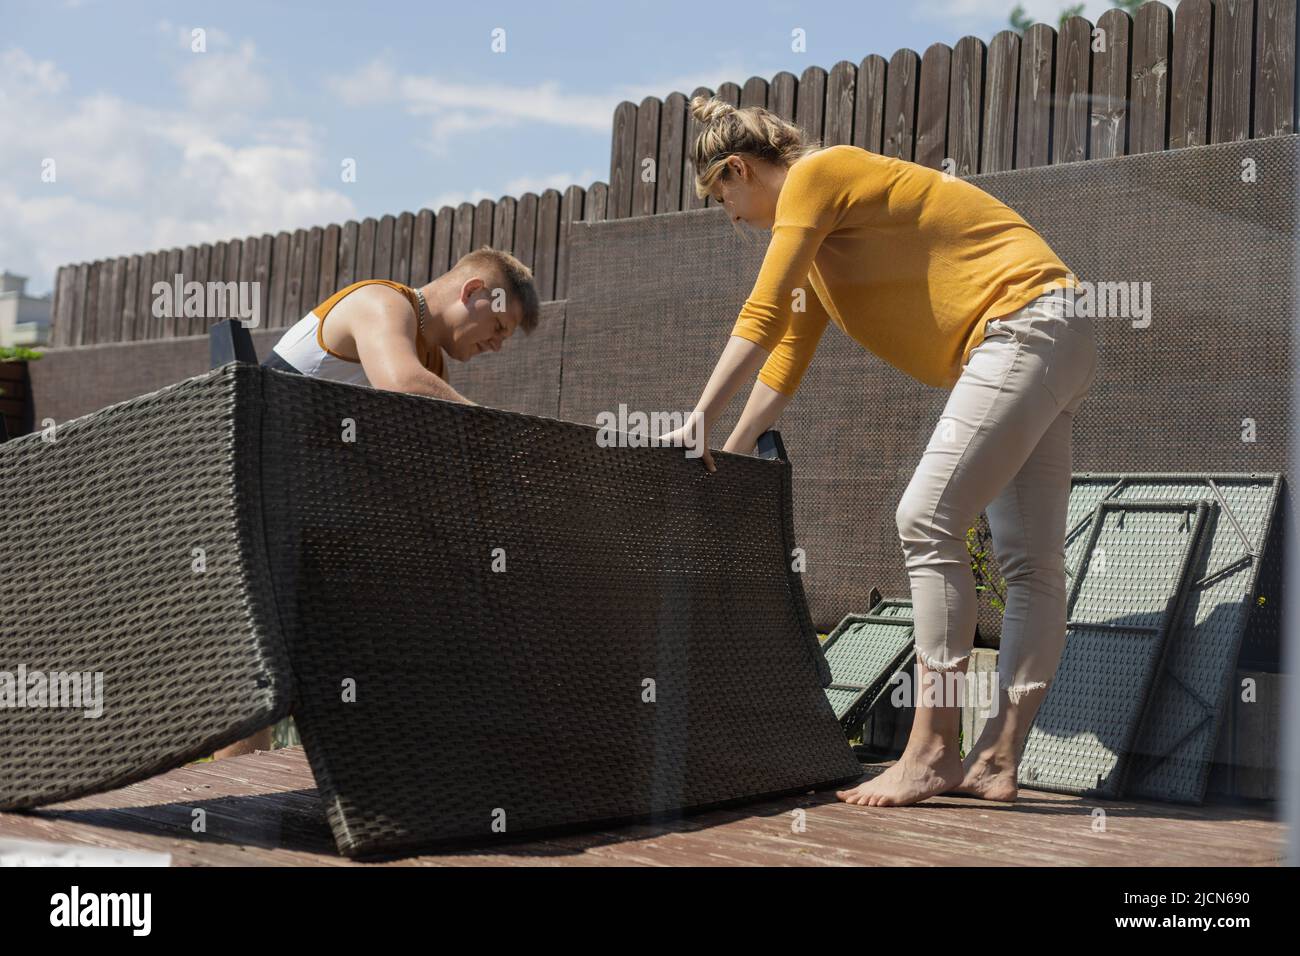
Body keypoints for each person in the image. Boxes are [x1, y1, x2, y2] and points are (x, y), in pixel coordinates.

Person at [662, 95, 1098, 807]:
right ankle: (995, 760)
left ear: (739, 168)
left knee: (925, 519)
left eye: (723, 198)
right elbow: (784, 362)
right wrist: (733, 450)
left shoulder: (816, 175)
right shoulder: (823, 241)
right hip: (1055, 334)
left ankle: (930, 750)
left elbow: (760, 312)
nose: (732, 219)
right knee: (1030, 566)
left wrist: (701, 418)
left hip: (1023, 326)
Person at [213, 244, 541, 759]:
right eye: (499, 328)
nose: (498, 345)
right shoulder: (382, 303)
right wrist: (499, 437)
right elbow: (401, 382)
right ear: (474, 292)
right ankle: (228, 802)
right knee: (264, 677)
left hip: (313, 516)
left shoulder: (430, 357)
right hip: (252, 507)